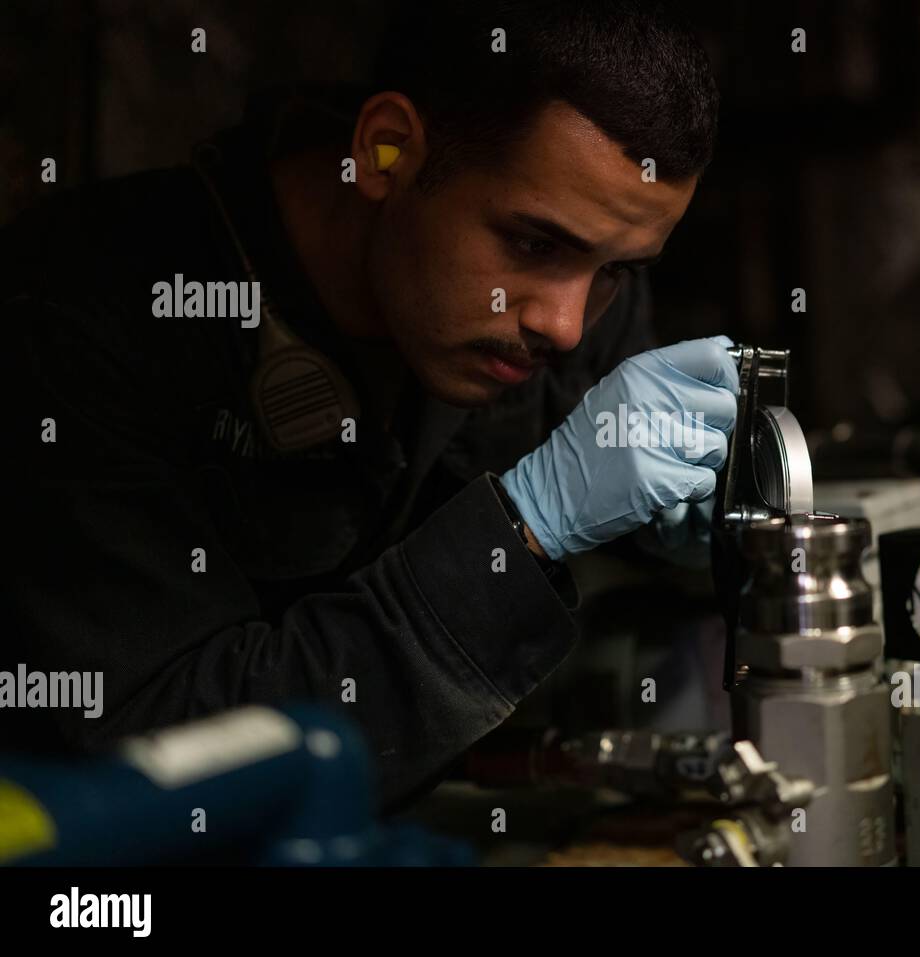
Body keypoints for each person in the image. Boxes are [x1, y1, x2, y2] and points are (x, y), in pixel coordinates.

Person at [1, 0, 734, 806]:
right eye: (533, 243)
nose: (563, 325)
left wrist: (698, 531)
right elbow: (156, 774)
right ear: (387, 149)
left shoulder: (577, 279)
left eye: (618, 269)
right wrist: (518, 535)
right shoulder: (81, 328)